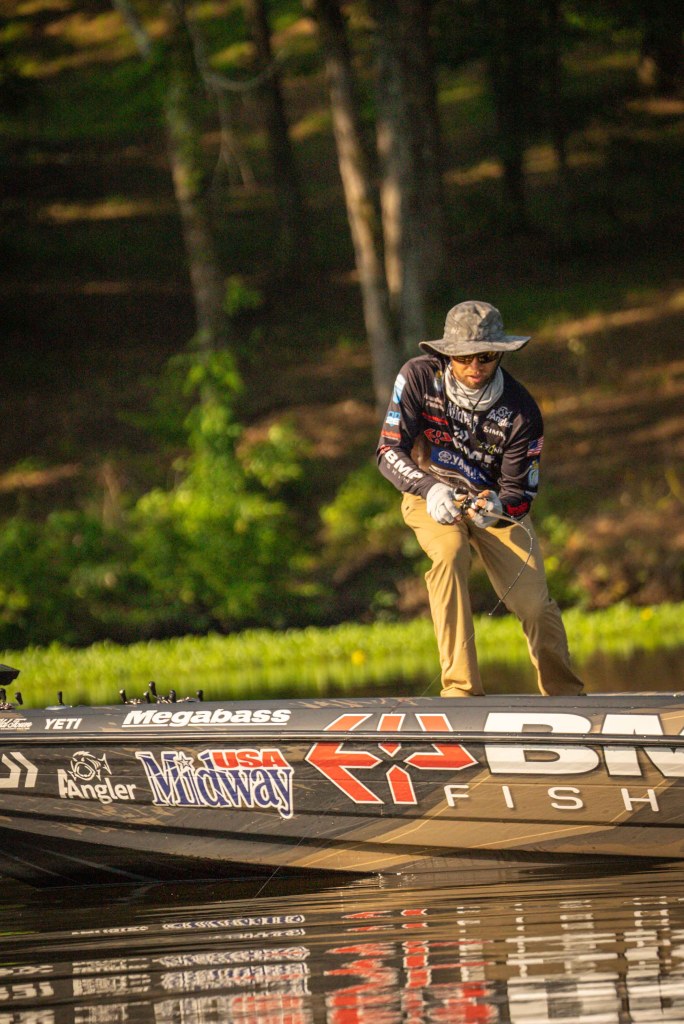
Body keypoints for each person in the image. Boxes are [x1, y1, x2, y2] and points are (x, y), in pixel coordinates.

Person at [377, 299, 584, 698]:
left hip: (493, 506)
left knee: (534, 604)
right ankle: (460, 689)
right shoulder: (418, 377)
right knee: (450, 554)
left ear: (500, 354)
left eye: (486, 357)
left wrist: (499, 506)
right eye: (464, 357)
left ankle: (566, 696)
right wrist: (429, 488)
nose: (475, 367)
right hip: (430, 492)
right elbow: (388, 450)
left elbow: (522, 491)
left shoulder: (522, 411)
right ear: (447, 354)